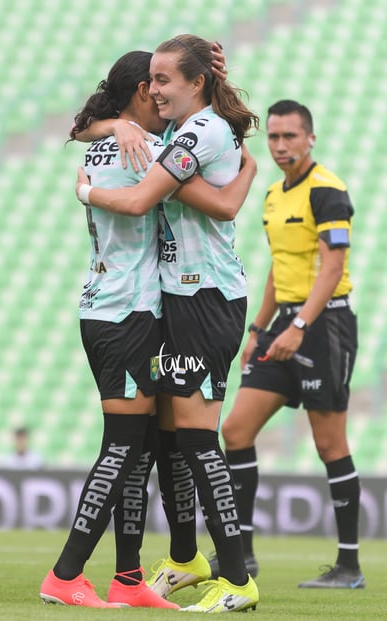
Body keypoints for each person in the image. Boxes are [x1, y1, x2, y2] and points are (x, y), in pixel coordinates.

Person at [40, 48, 257, 609]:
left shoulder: (155, 141)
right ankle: (73, 575)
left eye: (169, 80)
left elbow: (94, 131)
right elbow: (144, 200)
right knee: (140, 445)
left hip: (163, 307)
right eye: (153, 83)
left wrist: (112, 129)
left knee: (160, 442)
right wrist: (239, 179)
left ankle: (137, 577)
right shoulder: (147, 147)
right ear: (140, 92)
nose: (160, 93)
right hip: (134, 311)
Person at [209, 99, 365, 590]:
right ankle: (244, 556)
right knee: (235, 430)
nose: (280, 146)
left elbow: (333, 267)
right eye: (273, 137)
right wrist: (258, 330)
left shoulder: (328, 191)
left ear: (310, 138)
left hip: (326, 326)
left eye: (289, 137)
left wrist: (299, 326)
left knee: (328, 443)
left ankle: (349, 566)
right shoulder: (274, 194)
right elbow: (281, 266)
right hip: (285, 324)